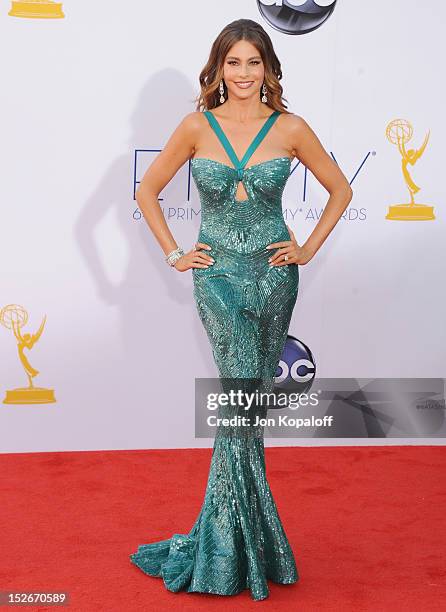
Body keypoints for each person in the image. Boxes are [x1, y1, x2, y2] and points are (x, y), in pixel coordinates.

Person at [130, 18, 352, 602]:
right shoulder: (196, 127)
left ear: (269, 69)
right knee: (239, 400)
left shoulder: (292, 128)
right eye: (234, 63)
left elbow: (341, 190)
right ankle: (243, 548)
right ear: (219, 68)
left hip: (275, 279)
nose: (245, 74)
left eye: (255, 63)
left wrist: (305, 248)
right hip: (219, 278)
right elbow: (146, 190)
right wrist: (177, 252)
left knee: (244, 409)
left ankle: (239, 542)